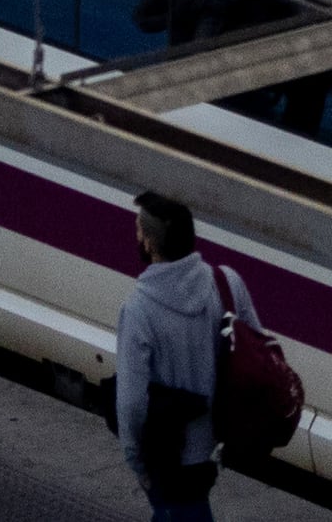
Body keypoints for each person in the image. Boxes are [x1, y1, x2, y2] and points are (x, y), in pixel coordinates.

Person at [111, 189, 256, 521]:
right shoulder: (226, 282)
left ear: (150, 243)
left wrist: (136, 462)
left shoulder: (138, 310)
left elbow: (131, 403)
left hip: (166, 455)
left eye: (139, 230)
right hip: (211, 449)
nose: (136, 237)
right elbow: (256, 354)